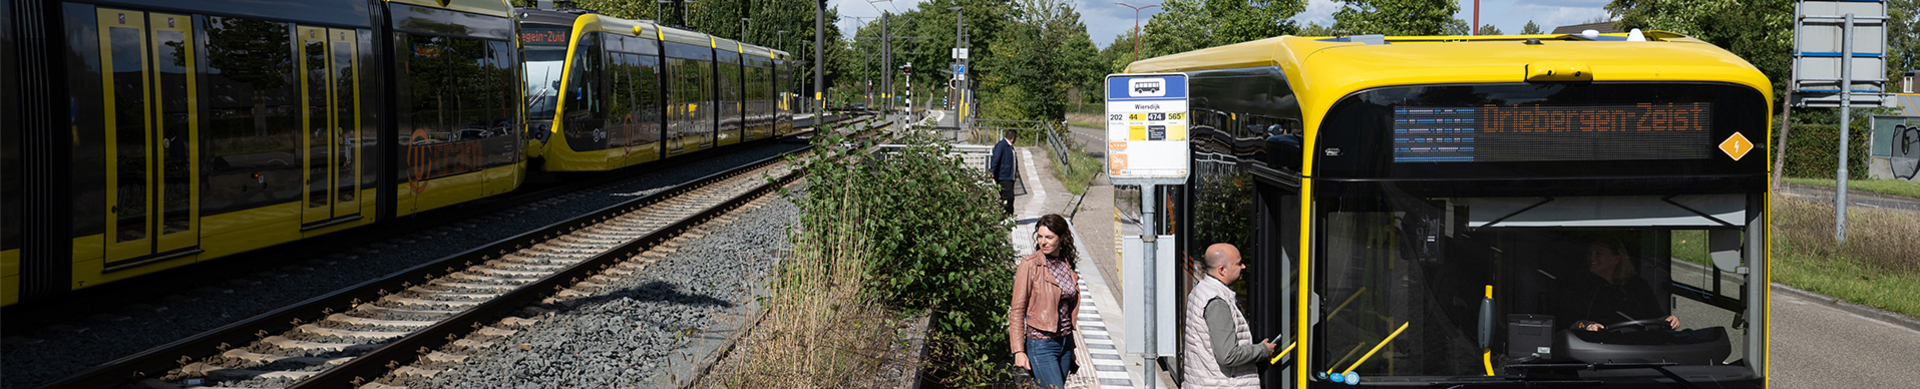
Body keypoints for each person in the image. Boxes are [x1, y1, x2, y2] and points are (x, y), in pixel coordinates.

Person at [1182, 243, 1274, 388]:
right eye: (1238, 263)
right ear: (1222, 270)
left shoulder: (1202, 290)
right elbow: (1228, 355)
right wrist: (1263, 350)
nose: (1243, 266)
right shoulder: (1217, 302)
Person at [1009, 214, 1080, 389]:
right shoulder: (1030, 265)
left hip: (1064, 343)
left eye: (1049, 237)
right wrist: (1018, 350)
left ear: (1062, 237)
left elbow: (1066, 309)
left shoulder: (1066, 263)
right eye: (1040, 236)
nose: (1043, 242)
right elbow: (1017, 310)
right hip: (1041, 344)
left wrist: (1072, 348)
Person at [1560, 239, 1680, 332]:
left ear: (1616, 259)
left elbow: (1656, 317)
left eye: (1598, 253)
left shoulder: (1637, 285)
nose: (1592, 258)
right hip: (1597, 346)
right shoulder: (1579, 286)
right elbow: (1569, 320)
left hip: (1639, 344)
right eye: (1590, 253)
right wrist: (1587, 326)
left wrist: (1669, 320)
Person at [988, 129, 1017, 216]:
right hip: (1003, 176)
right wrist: (992, 170)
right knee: (1007, 197)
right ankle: (1005, 216)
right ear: (1013, 138)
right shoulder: (1001, 145)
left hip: (1009, 176)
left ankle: (1007, 215)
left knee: (1009, 198)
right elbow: (995, 158)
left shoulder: (1009, 146)